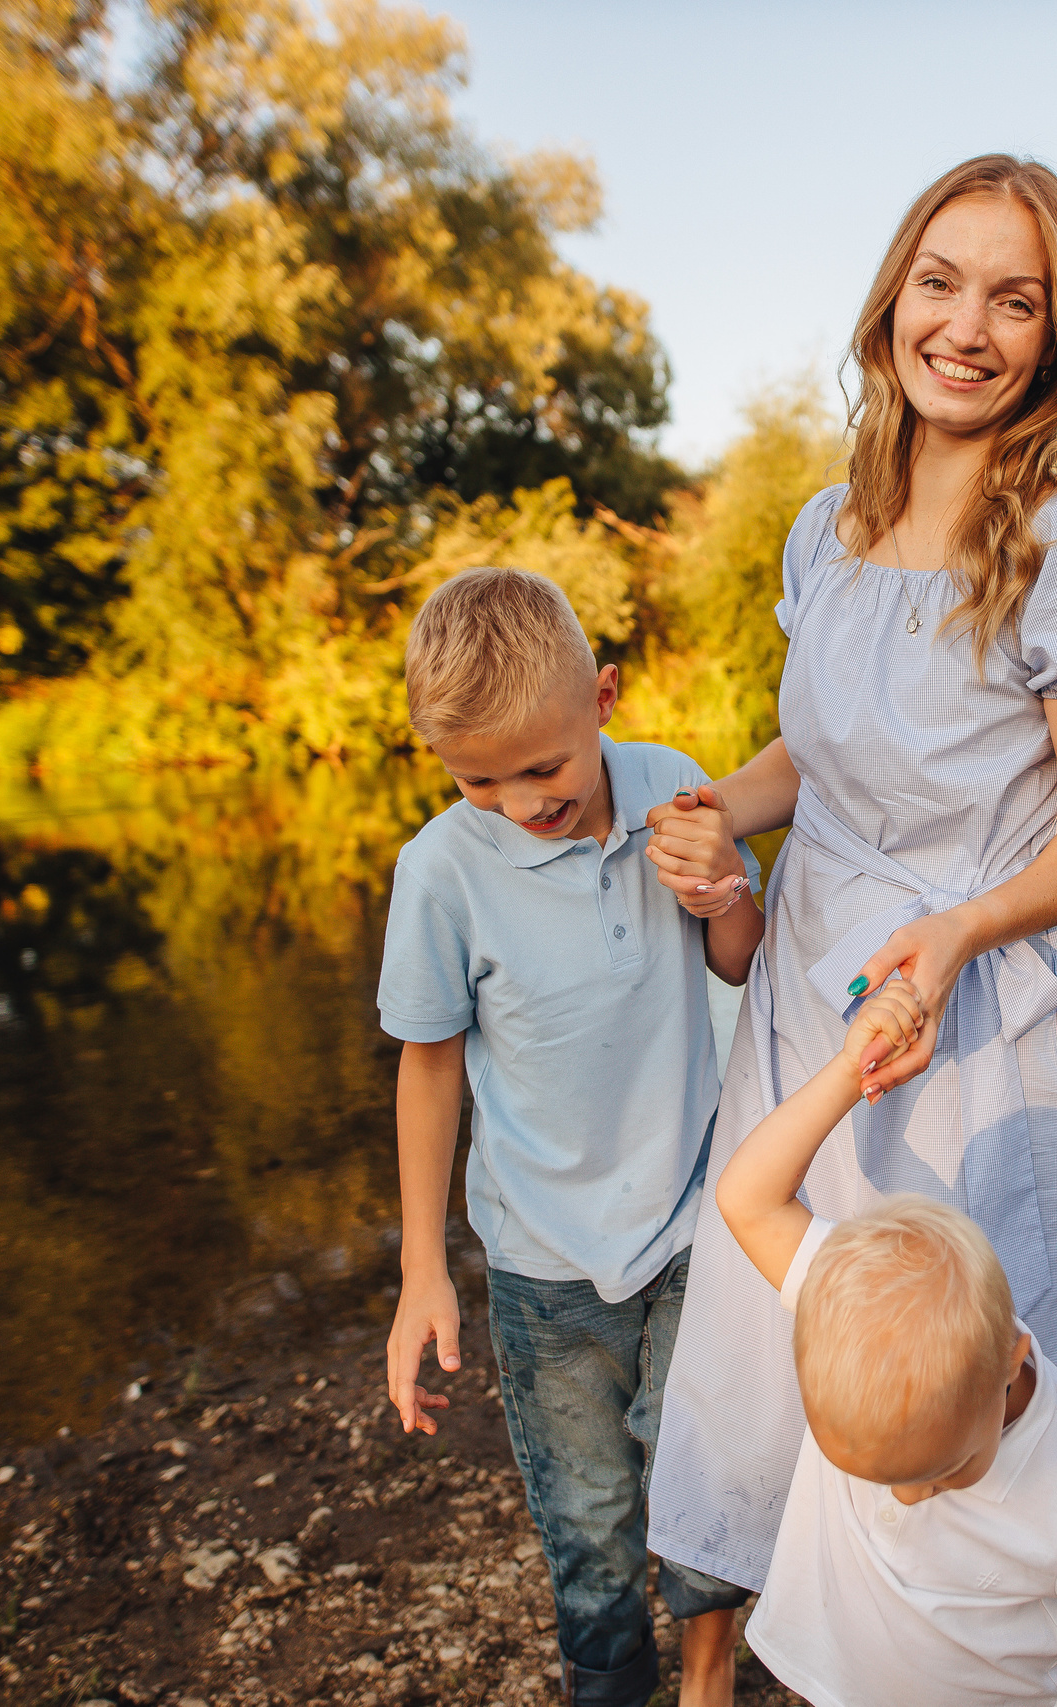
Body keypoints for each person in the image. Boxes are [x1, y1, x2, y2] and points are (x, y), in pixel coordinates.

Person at [644, 152, 1057, 1593]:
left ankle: (972, 1627)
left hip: (961, 1008)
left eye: (1015, 298)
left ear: (1052, 340)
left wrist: (957, 933)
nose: (969, 325)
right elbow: (805, 758)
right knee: (792, 1311)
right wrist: (714, 813)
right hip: (811, 985)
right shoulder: (828, 526)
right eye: (941, 283)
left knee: (949, 1340)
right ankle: (828, 1618)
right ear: (891, 308)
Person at [376, 569, 763, 1707]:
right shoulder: (443, 871)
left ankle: (708, 1676)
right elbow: (430, 1065)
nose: (521, 800)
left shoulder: (676, 790)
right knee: (586, 1518)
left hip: (694, 1223)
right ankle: (607, 1686)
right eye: (478, 779)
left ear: (603, 697)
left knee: (704, 1472)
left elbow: (738, 961)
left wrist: (723, 888)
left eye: (542, 767)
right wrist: (420, 1269)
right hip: (543, 1266)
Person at [712, 973, 1057, 1707]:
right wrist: (847, 1070)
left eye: (942, 1468)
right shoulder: (852, 1305)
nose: (908, 1495)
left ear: (1010, 1364)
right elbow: (746, 1195)